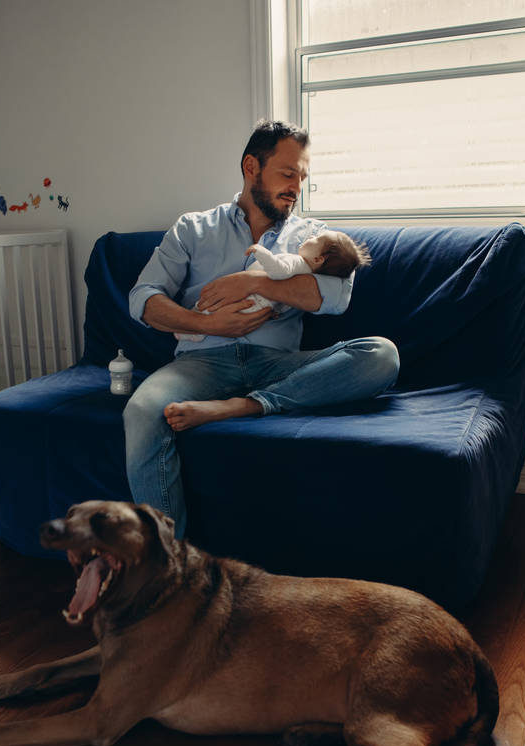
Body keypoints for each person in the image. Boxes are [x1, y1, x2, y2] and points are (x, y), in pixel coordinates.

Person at [125, 119, 400, 538]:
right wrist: (207, 322)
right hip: (201, 362)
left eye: (302, 177)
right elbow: (143, 298)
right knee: (143, 411)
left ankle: (247, 405)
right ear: (251, 166)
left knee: (381, 355)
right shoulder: (193, 229)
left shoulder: (313, 238)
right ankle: (168, 565)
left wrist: (255, 281)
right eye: (287, 173)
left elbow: (335, 298)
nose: (296, 186)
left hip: (281, 365)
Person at [174, 229, 370, 342]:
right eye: (287, 174)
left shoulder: (296, 261)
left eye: (315, 239)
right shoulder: (308, 271)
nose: (311, 236)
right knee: (219, 311)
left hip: (252, 302)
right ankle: (198, 328)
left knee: (214, 304)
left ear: (318, 258)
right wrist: (276, 309)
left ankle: (193, 329)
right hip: (263, 307)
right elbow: (287, 302)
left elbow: (279, 269)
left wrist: (260, 253)